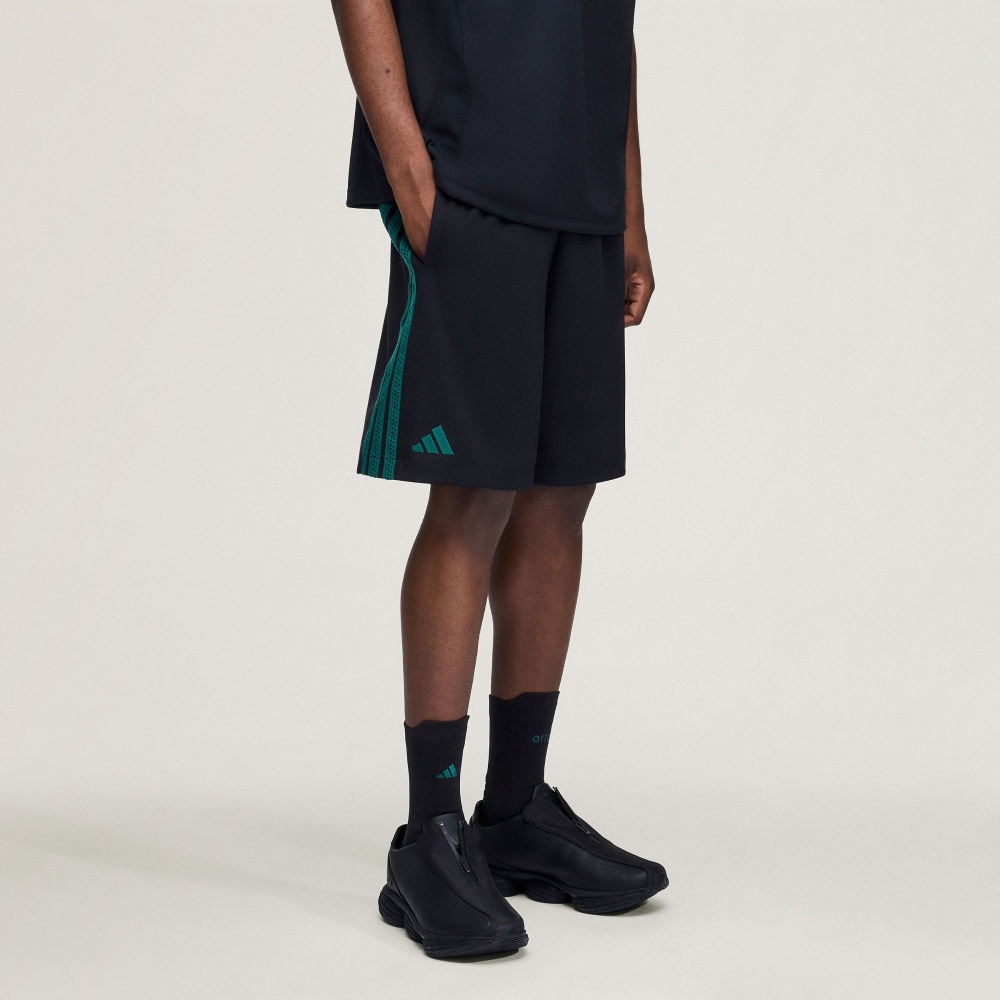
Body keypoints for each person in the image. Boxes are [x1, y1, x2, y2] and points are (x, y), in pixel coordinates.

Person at [331, 0, 666, 959]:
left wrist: (630, 205)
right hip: (466, 169)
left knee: (562, 491)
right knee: (474, 493)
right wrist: (407, 166)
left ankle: (515, 813)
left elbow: (612, 22)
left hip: (583, 187)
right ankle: (428, 837)